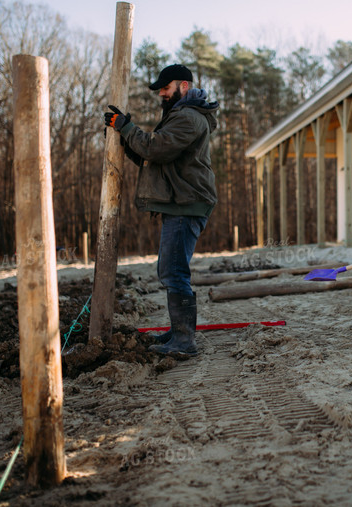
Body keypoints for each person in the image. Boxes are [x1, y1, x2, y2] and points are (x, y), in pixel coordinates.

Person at [104, 64, 219, 357]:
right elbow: (153, 156)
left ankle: (184, 340)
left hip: (187, 202)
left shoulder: (189, 117)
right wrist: (128, 138)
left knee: (173, 271)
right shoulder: (182, 115)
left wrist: (126, 127)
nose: (162, 94)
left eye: (166, 89)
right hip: (181, 200)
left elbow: (156, 149)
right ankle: (179, 332)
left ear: (183, 86)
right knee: (171, 269)